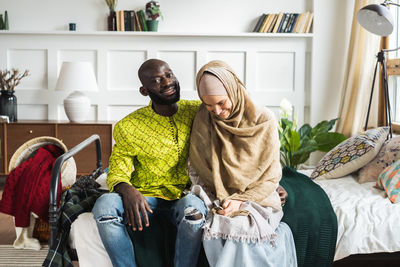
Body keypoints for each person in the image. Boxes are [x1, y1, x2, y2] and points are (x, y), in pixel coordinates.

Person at [91, 59, 207, 267]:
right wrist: (128, 190)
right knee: (104, 206)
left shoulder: (198, 111)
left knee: (194, 211)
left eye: (169, 75)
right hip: (146, 197)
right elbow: (118, 169)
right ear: (144, 91)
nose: (167, 82)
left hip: (185, 195)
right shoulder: (129, 126)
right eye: (157, 81)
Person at [188, 60, 297, 267]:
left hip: (259, 197)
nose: (217, 111)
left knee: (240, 232)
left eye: (221, 103)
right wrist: (222, 201)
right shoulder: (203, 119)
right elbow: (199, 170)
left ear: (234, 91)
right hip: (218, 197)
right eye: (209, 105)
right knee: (222, 226)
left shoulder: (263, 120)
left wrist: (240, 201)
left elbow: (271, 177)